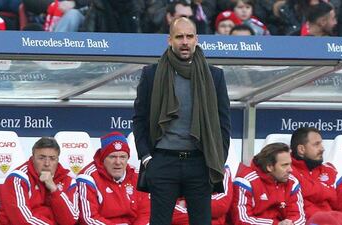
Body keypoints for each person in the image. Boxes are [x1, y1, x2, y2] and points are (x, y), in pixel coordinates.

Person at [133, 17, 231, 225]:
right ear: (170, 40)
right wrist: (147, 157)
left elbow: (223, 124)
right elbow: (140, 119)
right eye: (179, 37)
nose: (184, 42)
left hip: (199, 163)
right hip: (162, 161)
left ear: (197, 39)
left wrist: (217, 160)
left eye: (189, 36)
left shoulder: (214, 76)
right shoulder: (151, 74)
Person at [0, 137, 79, 225]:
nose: (47, 164)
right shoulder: (17, 178)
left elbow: (70, 220)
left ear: (57, 160)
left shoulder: (68, 181)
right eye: (41, 158)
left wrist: (54, 190)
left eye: (52, 158)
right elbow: (23, 221)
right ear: (33, 158)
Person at [77, 131, 150, 225]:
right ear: (103, 158)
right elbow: (89, 218)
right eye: (112, 157)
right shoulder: (87, 177)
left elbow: (146, 213)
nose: (118, 162)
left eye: (123, 157)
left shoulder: (136, 175)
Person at [290, 127, 342, 220]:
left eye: (321, 144)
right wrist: (328, 191)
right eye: (316, 144)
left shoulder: (331, 172)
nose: (322, 149)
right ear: (301, 149)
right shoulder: (286, 172)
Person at [230, 143, 306, 225]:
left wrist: (291, 223)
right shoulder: (245, 182)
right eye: (285, 165)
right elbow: (242, 220)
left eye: (290, 164)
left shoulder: (292, 182)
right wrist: (276, 224)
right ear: (269, 167)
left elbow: (299, 217)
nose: (290, 170)